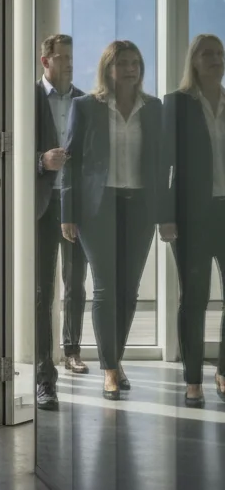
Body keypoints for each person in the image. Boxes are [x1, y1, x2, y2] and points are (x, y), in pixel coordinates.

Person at [62, 40, 164, 402]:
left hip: (140, 207)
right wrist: (68, 214)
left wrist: (166, 213)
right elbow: (71, 161)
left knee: (129, 290)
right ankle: (109, 371)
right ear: (108, 68)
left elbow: (161, 163)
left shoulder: (154, 108)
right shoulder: (86, 106)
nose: (131, 69)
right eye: (123, 63)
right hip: (97, 207)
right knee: (106, 288)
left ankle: (114, 359)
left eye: (135, 63)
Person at [161, 34, 225, 409]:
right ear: (194, 61)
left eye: (220, 53)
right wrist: (165, 217)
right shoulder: (177, 104)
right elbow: (164, 164)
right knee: (195, 298)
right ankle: (193, 379)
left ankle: (223, 370)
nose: (216, 59)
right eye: (208, 54)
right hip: (192, 217)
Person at [33, 34, 88, 412]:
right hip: (42, 205)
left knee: (76, 283)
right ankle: (44, 378)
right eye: (62, 57)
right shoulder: (28, 98)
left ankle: (72, 350)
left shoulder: (85, 101)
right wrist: (41, 160)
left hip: (76, 205)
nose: (68, 63)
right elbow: (10, 148)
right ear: (45, 61)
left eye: (71, 57)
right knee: (42, 291)